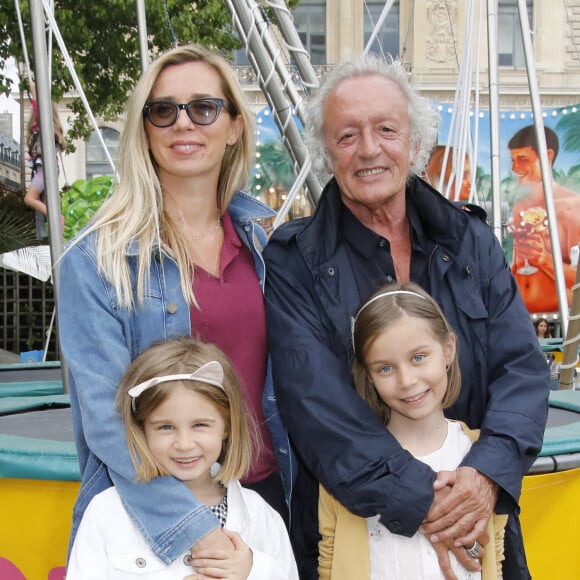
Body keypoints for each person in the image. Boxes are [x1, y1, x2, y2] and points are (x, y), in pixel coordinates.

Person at [263, 53, 550, 580]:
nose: (369, 148)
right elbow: (316, 408)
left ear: (414, 144)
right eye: (347, 135)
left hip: (479, 521)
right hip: (359, 533)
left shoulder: (470, 240)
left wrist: (484, 477)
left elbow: (523, 369)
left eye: (386, 129)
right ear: (326, 155)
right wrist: (430, 502)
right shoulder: (295, 260)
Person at [57, 44, 293, 569]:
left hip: (263, 503)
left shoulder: (267, 249)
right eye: (163, 110)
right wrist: (193, 528)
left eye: (203, 107)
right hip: (152, 516)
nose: (183, 123)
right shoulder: (97, 260)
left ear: (233, 125)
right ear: (145, 130)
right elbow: (104, 417)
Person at [318, 283, 508, 580]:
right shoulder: (350, 462)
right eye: (385, 368)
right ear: (367, 375)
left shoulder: (482, 455)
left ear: (448, 349)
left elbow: (494, 551)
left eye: (418, 357)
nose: (406, 380)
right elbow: (330, 557)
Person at [67, 337, 298, 579]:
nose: (184, 444)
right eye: (165, 427)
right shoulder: (106, 512)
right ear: (141, 428)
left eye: (200, 425)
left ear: (227, 425)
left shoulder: (261, 515)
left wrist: (253, 572)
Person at [508, 125, 580, 313]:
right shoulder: (519, 208)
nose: (516, 167)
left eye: (523, 159)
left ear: (547, 156)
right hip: (518, 317)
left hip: (560, 319)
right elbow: (517, 266)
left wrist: (544, 259)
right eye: (513, 160)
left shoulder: (572, 206)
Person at [23, 80, 67, 238]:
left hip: (44, 171)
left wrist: (35, 91)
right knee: (45, 206)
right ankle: (55, 237)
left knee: (30, 198)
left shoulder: (43, 127)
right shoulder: (48, 133)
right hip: (47, 172)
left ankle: (57, 220)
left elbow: (39, 111)